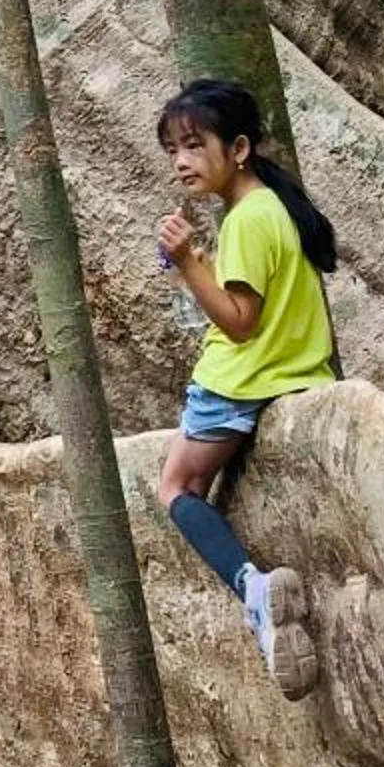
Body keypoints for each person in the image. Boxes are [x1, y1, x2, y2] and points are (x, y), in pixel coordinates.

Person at [153, 78, 337, 698]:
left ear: (237, 149)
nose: (181, 161)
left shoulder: (247, 219)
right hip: (293, 374)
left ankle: (254, 590)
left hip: (239, 384)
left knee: (178, 486)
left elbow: (238, 323)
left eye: (192, 145)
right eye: (172, 149)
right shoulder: (272, 208)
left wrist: (186, 264)